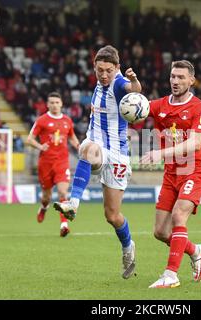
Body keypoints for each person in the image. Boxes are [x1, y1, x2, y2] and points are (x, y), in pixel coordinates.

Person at [53, 45, 141, 279]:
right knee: (87, 149)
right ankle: (73, 204)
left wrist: (134, 81)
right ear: (94, 67)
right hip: (97, 147)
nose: (103, 75)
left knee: (112, 215)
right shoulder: (99, 84)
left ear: (117, 68)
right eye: (99, 70)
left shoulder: (118, 83)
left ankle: (128, 246)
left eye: (108, 70)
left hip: (118, 155)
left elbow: (133, 90)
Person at [140, 60, 201, 288]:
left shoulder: (199, 107)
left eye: (181, 77)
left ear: (191, 80)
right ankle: (194, 249)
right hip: (171, 175)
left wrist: (161, 153)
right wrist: (131, 84)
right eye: (172, 76)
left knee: (179, 215)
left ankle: (171, 274)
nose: (175, 81)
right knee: (160, 232)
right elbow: (137, 104)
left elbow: (195, 142)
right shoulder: (159, 105)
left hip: (194, 171)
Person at [27, 92, 80, 237]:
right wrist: (40, 146)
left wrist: (79, 147)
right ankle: (44, 207)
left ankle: (64, 225)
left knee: (63, 192)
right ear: (47, 104)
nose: (55, 105)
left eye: (57, 102)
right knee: (46, 197)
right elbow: (29, 139)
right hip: (45, 163)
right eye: (52, 102)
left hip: (62, 162)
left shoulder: (67, 121)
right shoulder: (42, 120)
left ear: (61, 104)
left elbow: (72, 136)